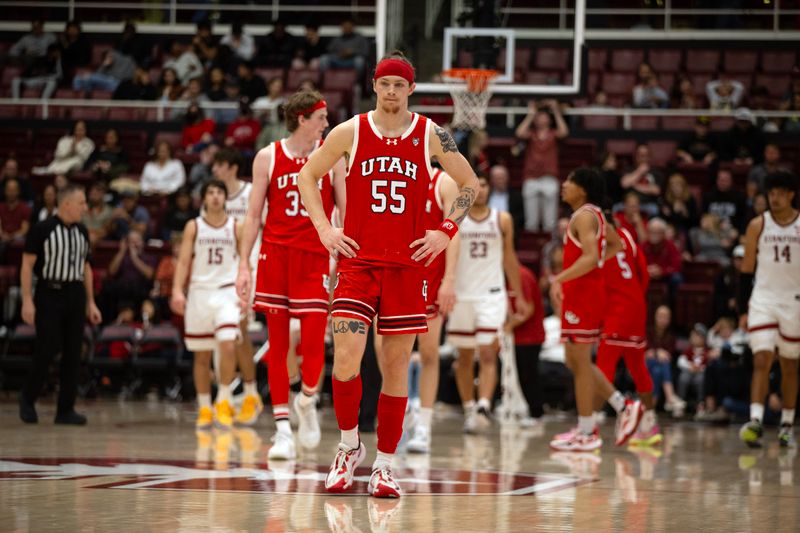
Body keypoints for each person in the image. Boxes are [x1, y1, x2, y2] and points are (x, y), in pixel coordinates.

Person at [296, 52, 480, 498]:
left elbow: (470, 184)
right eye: (385, 84)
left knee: (397, 366)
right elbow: (308, 175)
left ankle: (386, 464)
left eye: (400, 85)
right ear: (374, 86)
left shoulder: (432, 134)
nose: (392, 91)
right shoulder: (350, 130)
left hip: (407, 267)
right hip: (358, 262)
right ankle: (347, 447)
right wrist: (324, 228)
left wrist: (445, 230)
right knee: (345, 359)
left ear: (411, 89)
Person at [237, 90, 346, 459]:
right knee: (278, 345)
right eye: (321, 117)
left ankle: (308, 400)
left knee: (315, 345)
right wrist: (242, 265)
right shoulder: (268, 157)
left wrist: (344, 261)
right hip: (274, 257)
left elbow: (343, 216)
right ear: (302, 119)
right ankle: (282, 429)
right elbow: (253, 216)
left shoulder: (332, 160)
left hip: (315, 258)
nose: (327, 124)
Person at [548, 167, 642, 452]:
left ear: (583, 189)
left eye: (569, 181)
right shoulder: (597, 215)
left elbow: (590, 257)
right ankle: (596, 421)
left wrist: (559, 278)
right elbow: (614, 245)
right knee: (575, 361)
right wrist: (597, 263)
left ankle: (608, 417)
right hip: (585, 293)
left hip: (583, 294)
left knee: (579, 361)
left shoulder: (585, 216)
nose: (563, 185)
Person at [447, 174, 529, 433]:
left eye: (484, 185)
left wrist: (519, 296)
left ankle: (483, 406)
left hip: (491, 294)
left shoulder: (502, 219)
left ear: (490, 190)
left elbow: (509, 258)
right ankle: (469, 407)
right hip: (461, 294)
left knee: (487, 352)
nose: (480, 190)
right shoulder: (455, 219)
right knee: (464, 358)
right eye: (476, 185)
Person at [18, 185, 102, 425]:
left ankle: (65, 409)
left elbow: (86, 268)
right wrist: (27, 300)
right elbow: (26, 266)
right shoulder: (42, 230)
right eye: (82, 203)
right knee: (47, 348)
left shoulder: (83, 231)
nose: (85, 207)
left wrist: (91, 303)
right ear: (67, 204)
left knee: (74, 352)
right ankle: (28, 398)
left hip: (75, 293)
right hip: (49, 292)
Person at [171, 180, 242, 429]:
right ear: (203, 198)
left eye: (219, 192)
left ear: (225, 198)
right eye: (210, 192)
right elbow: (182, 262)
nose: (214, 196)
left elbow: (246, 264)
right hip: (200, 292)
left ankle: (223, 399)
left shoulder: (236, 227)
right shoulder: (194, 226)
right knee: (201, 356)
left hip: (226, 293)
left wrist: (245, 294)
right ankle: (204, 407)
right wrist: (177, 291)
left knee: (228, 345)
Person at [739, 171, 800, 449]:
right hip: (763, 299)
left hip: (794, 301)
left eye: (779, 193)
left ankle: (787, 424)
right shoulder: (757, 225)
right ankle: (755, 420)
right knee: (761, 359)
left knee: (790, 364)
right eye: (770, 193)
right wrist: (742, 309)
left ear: (791, 195)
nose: (773, 198)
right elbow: (745, 270)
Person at [405, 167, 461, 453]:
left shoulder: (444, 181)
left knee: (428, 352)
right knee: (387, 352)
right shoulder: (397, 174)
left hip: (430, 276)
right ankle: (401, 409)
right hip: (397, 273)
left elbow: (453, 233)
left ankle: (424, 424)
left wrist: (449, 280)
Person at [210, 148, 264, 426]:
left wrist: (255, 267)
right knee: (229, 336)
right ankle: (242, 394)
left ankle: (233, 395)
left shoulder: (251, 192)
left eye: (219, 165)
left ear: (231, 167)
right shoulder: (213, 197)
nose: (214, 170)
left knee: (236, 333)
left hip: (248, 269)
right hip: (218, 275)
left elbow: (266, 228)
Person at [597, 222, 662, 446]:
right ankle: (650, 423)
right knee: (637, 366)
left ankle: (591, 426)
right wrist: (634, 297)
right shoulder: (626, 235)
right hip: (636, 306)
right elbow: (643, 273)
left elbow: (597, 284)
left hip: (616, 310)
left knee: (602, 370)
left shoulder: (597, 242)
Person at [515, 99, 569, 232]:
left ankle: (549, 250)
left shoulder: (553, 134)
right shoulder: (531, 134)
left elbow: (564, 132)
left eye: (544, 116)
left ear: (549, 119)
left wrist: (556, 111)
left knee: (550, 223)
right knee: (531, 222)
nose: (541, 118)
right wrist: (531, 114)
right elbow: (519, 133)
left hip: (549, 178)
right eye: (539, 116)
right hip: (531, 178)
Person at [505, 263, 546, 424]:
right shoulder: (507, 278)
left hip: (530, 337)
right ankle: (523, 408)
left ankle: (537, 413)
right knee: (519, 375)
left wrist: (509, 326)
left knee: (529, 375)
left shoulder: (523, 276)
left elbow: (528, 308)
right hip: (517, 337)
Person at [487, 164, 524, 234]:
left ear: (507, 178)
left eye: (502, 177)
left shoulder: (516, 196)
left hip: (508, 231)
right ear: (491, 180)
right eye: (497, 178)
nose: (500, 181)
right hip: (487, 232)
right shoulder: (486, 196)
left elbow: (521, 217)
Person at [0, 178, 32, 244]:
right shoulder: (0, 207)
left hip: (18, 239)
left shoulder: (25, 208)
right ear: (5, 191)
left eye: (14, 190)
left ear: (18, 191)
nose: (11, 193)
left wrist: (12, 236)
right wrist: (2, 235)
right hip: (2, 238)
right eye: (9, 190)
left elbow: (24, 229)